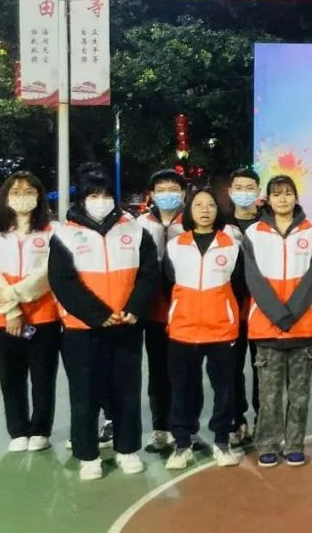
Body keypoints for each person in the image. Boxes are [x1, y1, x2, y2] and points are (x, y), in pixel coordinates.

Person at [48, 165, 159, 481]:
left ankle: (127, 449)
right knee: (85, 395)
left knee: (127, 392)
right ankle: (88, 455)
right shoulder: (65, 234)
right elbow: (62, 281)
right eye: (93, 195)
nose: (100, 201)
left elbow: (149, 273)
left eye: (106, 195)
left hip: (126, 325)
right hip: (82, 330)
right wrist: (96, 314)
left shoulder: (134, 230)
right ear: (82, 199)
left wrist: (135, 308)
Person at [243, 175, 312, 468]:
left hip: (302, 327)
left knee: (299, 395)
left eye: (288, 193)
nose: (282, 199)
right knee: (269, 395)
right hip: (266, 327)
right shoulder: (253, 233)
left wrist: (292, 313)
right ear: (268, 198)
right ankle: (267, 444)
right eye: (276, 194)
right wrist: (278, 315)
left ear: (295, 197)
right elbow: (253, 279)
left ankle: (294, 444)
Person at [162, 187, 244, 470]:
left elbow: (240, 285)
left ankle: (222, 440)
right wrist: (180, 309)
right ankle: (183, 442)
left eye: (210, 204)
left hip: (221, 329)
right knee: (182, 388)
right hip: (183, 329)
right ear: (189, 210)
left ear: (218, 211)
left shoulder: (232, 246)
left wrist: (225, 310)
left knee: (224, 389)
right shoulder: (175, 246)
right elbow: (167, 284)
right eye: (198, 204)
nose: (205, 209)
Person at [0, 171, 61, 453]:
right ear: (5, 197)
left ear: (39, 196)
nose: (22, 197)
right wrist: (11, 309)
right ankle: (17, 430)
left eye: (29, 192)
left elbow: (48, 273)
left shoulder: (52, 231)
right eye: (15, 192)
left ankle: (40, 430)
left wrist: (15, 293)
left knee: (43, 376)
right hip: (5, 316)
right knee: (11, 377)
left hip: (44, 315)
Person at [134, 168, 187, 451]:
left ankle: (184, 427)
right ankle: (160, 427)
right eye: (162, 190)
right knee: (157, 372)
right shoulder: (140, 224)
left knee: (184, 372)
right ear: (152, 195)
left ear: (183, 193)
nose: (168, 195)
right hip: (153, 312)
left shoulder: (191, 222)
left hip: (186, 312)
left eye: (173, 190)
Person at [226, 167, 263, 445]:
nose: (244, 193)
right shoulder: (221, 225)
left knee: (263, 368)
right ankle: (237, 420)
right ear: (230, 191)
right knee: (232, 369)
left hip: (262, 309)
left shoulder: (268, 224)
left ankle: (264, 419)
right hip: (230, 309)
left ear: (258, 191)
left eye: (250, 188)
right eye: (239, 188)